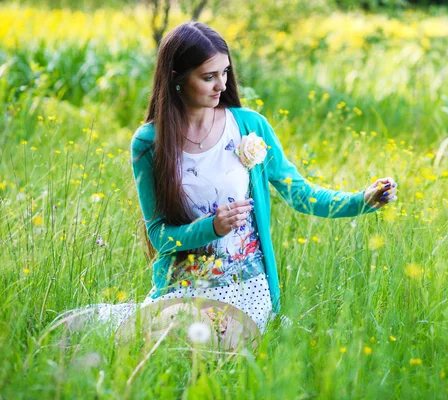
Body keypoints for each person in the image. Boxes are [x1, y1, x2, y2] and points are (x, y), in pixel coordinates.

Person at [53, 21, 397, 341]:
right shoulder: (149, 142)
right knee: (151, 344)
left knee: (248, 348)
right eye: (208, 77)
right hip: (183, 286)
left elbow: (300, 193)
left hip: (248, 287)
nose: (221, 85)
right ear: (176, 77)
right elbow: (158, 235)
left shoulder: (249, 126)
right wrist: (211, 229)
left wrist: (361, 200)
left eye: (225, 73)